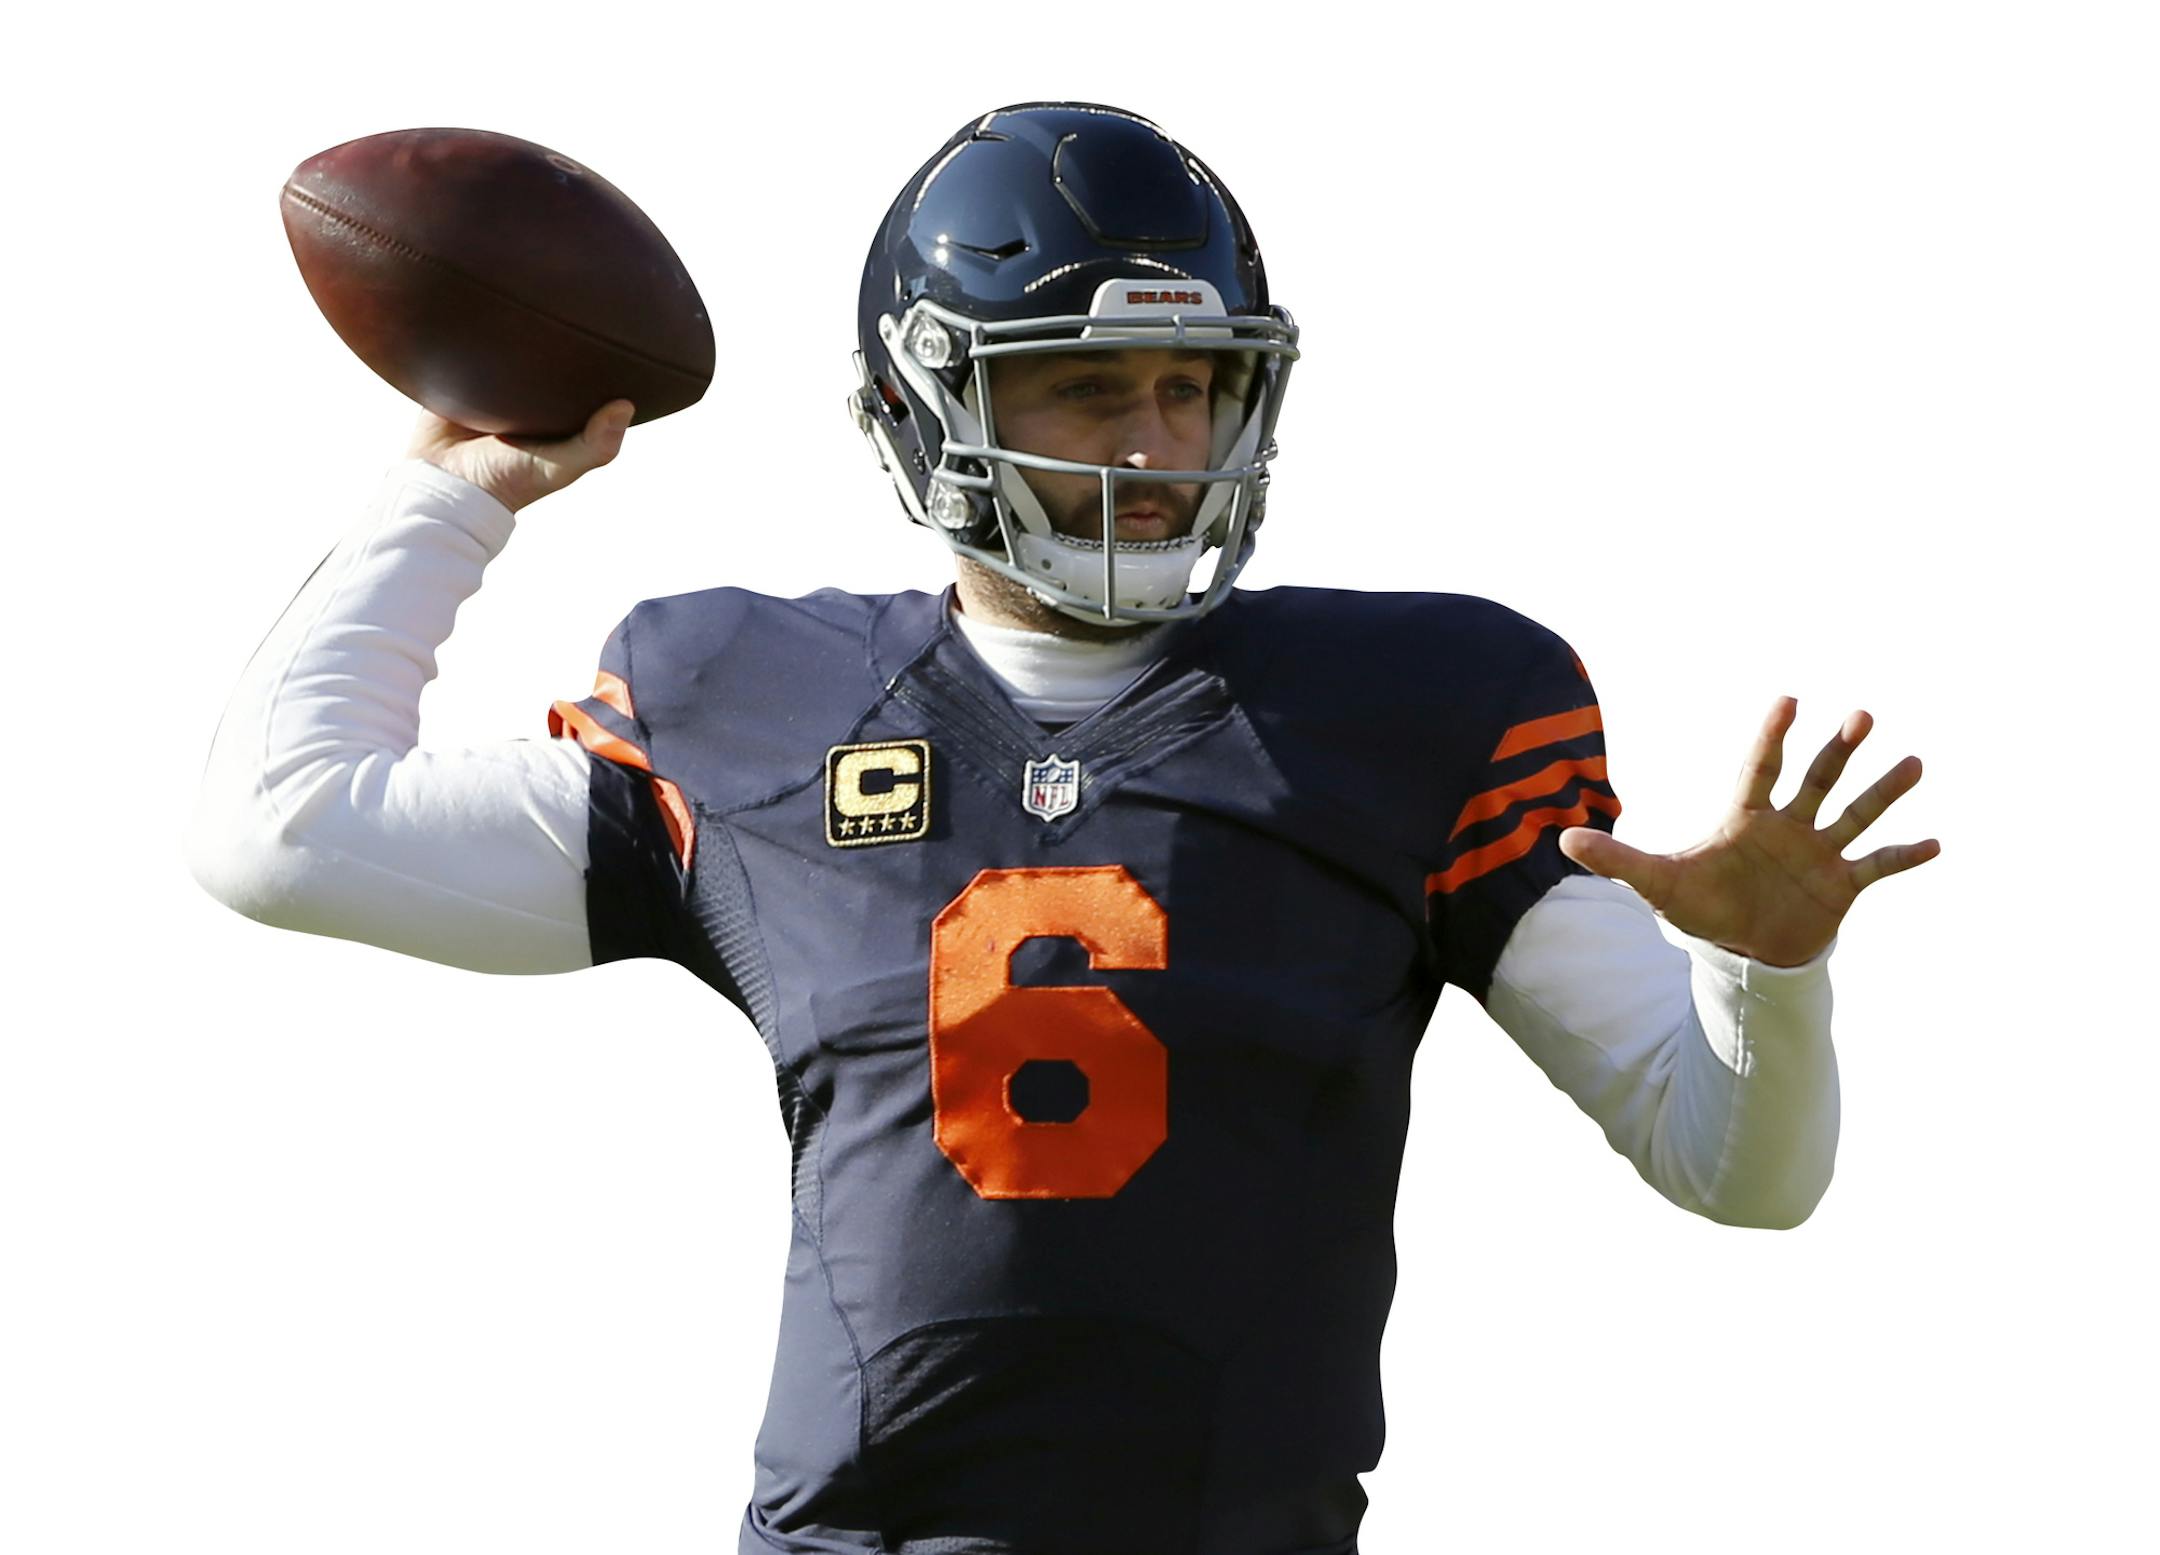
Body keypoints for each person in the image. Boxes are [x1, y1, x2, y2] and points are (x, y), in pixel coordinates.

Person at [189, 102, 1939, 1555]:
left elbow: (1743, 1173)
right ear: (922, 406)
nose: (1160, 444)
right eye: (1088, 391)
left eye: (1193, 387)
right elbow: (279, 831)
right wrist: (455, 489)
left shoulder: (1423, 705)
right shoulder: (745, 693)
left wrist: (1765, 975)